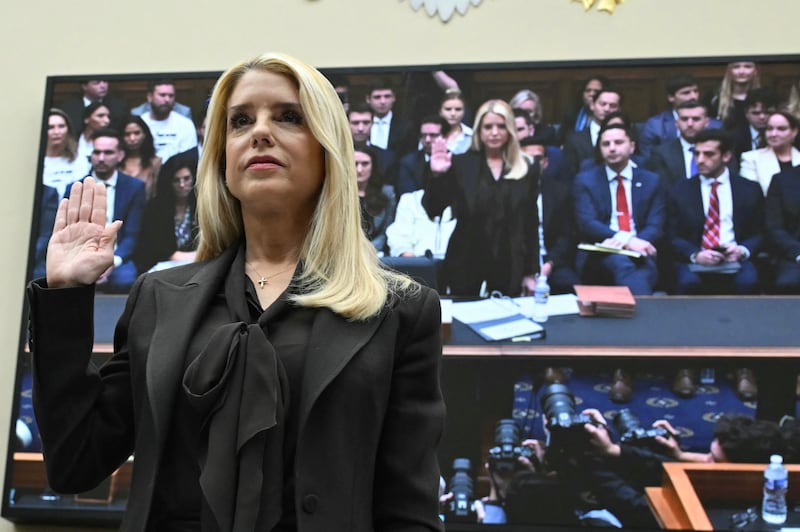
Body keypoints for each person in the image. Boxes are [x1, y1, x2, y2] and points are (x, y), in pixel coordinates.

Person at [28, 51, 445, 532]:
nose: (260, 132)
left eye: (289, 117)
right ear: (222, 157)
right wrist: (64, 295)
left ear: (329, 149)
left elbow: (408, 512)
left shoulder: (399, 311)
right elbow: (74, 462)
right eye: (240, 121)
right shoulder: (158, 297)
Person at [668, 129, 764, 400]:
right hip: (695, 259)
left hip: (734, 259)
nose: (701, 160)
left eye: (708, 154)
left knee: (748, 283)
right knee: (685, 284)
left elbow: (760, 232)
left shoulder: (748, 189)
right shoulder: (679, 190)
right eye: (697, 153)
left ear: (726, 156)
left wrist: (742, 250)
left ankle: (744, 366)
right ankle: (684, 365)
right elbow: (670, 235)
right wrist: (694, 255)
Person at [422, 99, 540, 297]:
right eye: (488, 127)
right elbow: (434, 209)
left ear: (510, 129)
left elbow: (530, 222)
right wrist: (437, 175)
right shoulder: (462, 164)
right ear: (479, 130)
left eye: (501, 126)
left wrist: (530, 271)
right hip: (466, 259)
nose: (494, 132)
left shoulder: (527, 167)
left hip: (509, 260)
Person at [66, 128, 147, 293]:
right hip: (81, 254)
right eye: (97, 152)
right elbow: (69, 233)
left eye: (108, 152)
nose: (101, 158)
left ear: (120, 155)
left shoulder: (135, 188)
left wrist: (110, 262)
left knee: (126, 279)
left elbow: (132, 235)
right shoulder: (75, 188)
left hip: (117, 257)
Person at [133, 153, 199, 273]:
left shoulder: (202, 205)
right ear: (168, 181)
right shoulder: (155, 208)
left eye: (186, 179)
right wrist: (176, 256)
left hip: (199, 265)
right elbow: (149, 247)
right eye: (176, 180)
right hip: (164, 266)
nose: (182, 185)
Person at [637, 74, 722, 161]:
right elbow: (648, 162)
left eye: (696, 91)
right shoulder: (655, 126)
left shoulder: (716, 126)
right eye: (686, 93)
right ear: (671, 98)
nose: (693, 97)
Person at [739, 110, 800, 196]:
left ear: (794, 132)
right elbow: (749, 196)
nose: (773, 134)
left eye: (781, 129)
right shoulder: (751, 159)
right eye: (769, 129)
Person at [139, 79, 199, 162]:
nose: (167, 100)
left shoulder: (186, 124)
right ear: (150, 97)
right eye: (162, 95)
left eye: (171, 96)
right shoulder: (140, 123)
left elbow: (189, 160)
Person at [354, 143, 396, 255]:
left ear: (373, 166)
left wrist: (369, 250)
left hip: (376, 254)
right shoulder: (337, 193)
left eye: (365, 164)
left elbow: (386, 231)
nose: (359, 169)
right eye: (355, 164)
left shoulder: (387, 194)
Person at [41, 108, 90, 198]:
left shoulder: (80, 158)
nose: (57, 132)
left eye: (61, 126)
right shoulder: (33, 160)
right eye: (50, 127)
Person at [119, 115, 163, 199]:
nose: (132, 138)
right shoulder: (115, 161)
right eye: (127, 134)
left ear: (144, 135)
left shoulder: (155, 163)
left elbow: (157, 195)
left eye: (137, 133)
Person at [439, 89, 473, 155]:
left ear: (464, 112)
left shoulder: (472, 136)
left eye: (458, 109)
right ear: (440, 111)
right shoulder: (429, 135)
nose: (453, 113)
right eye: (448, 109)